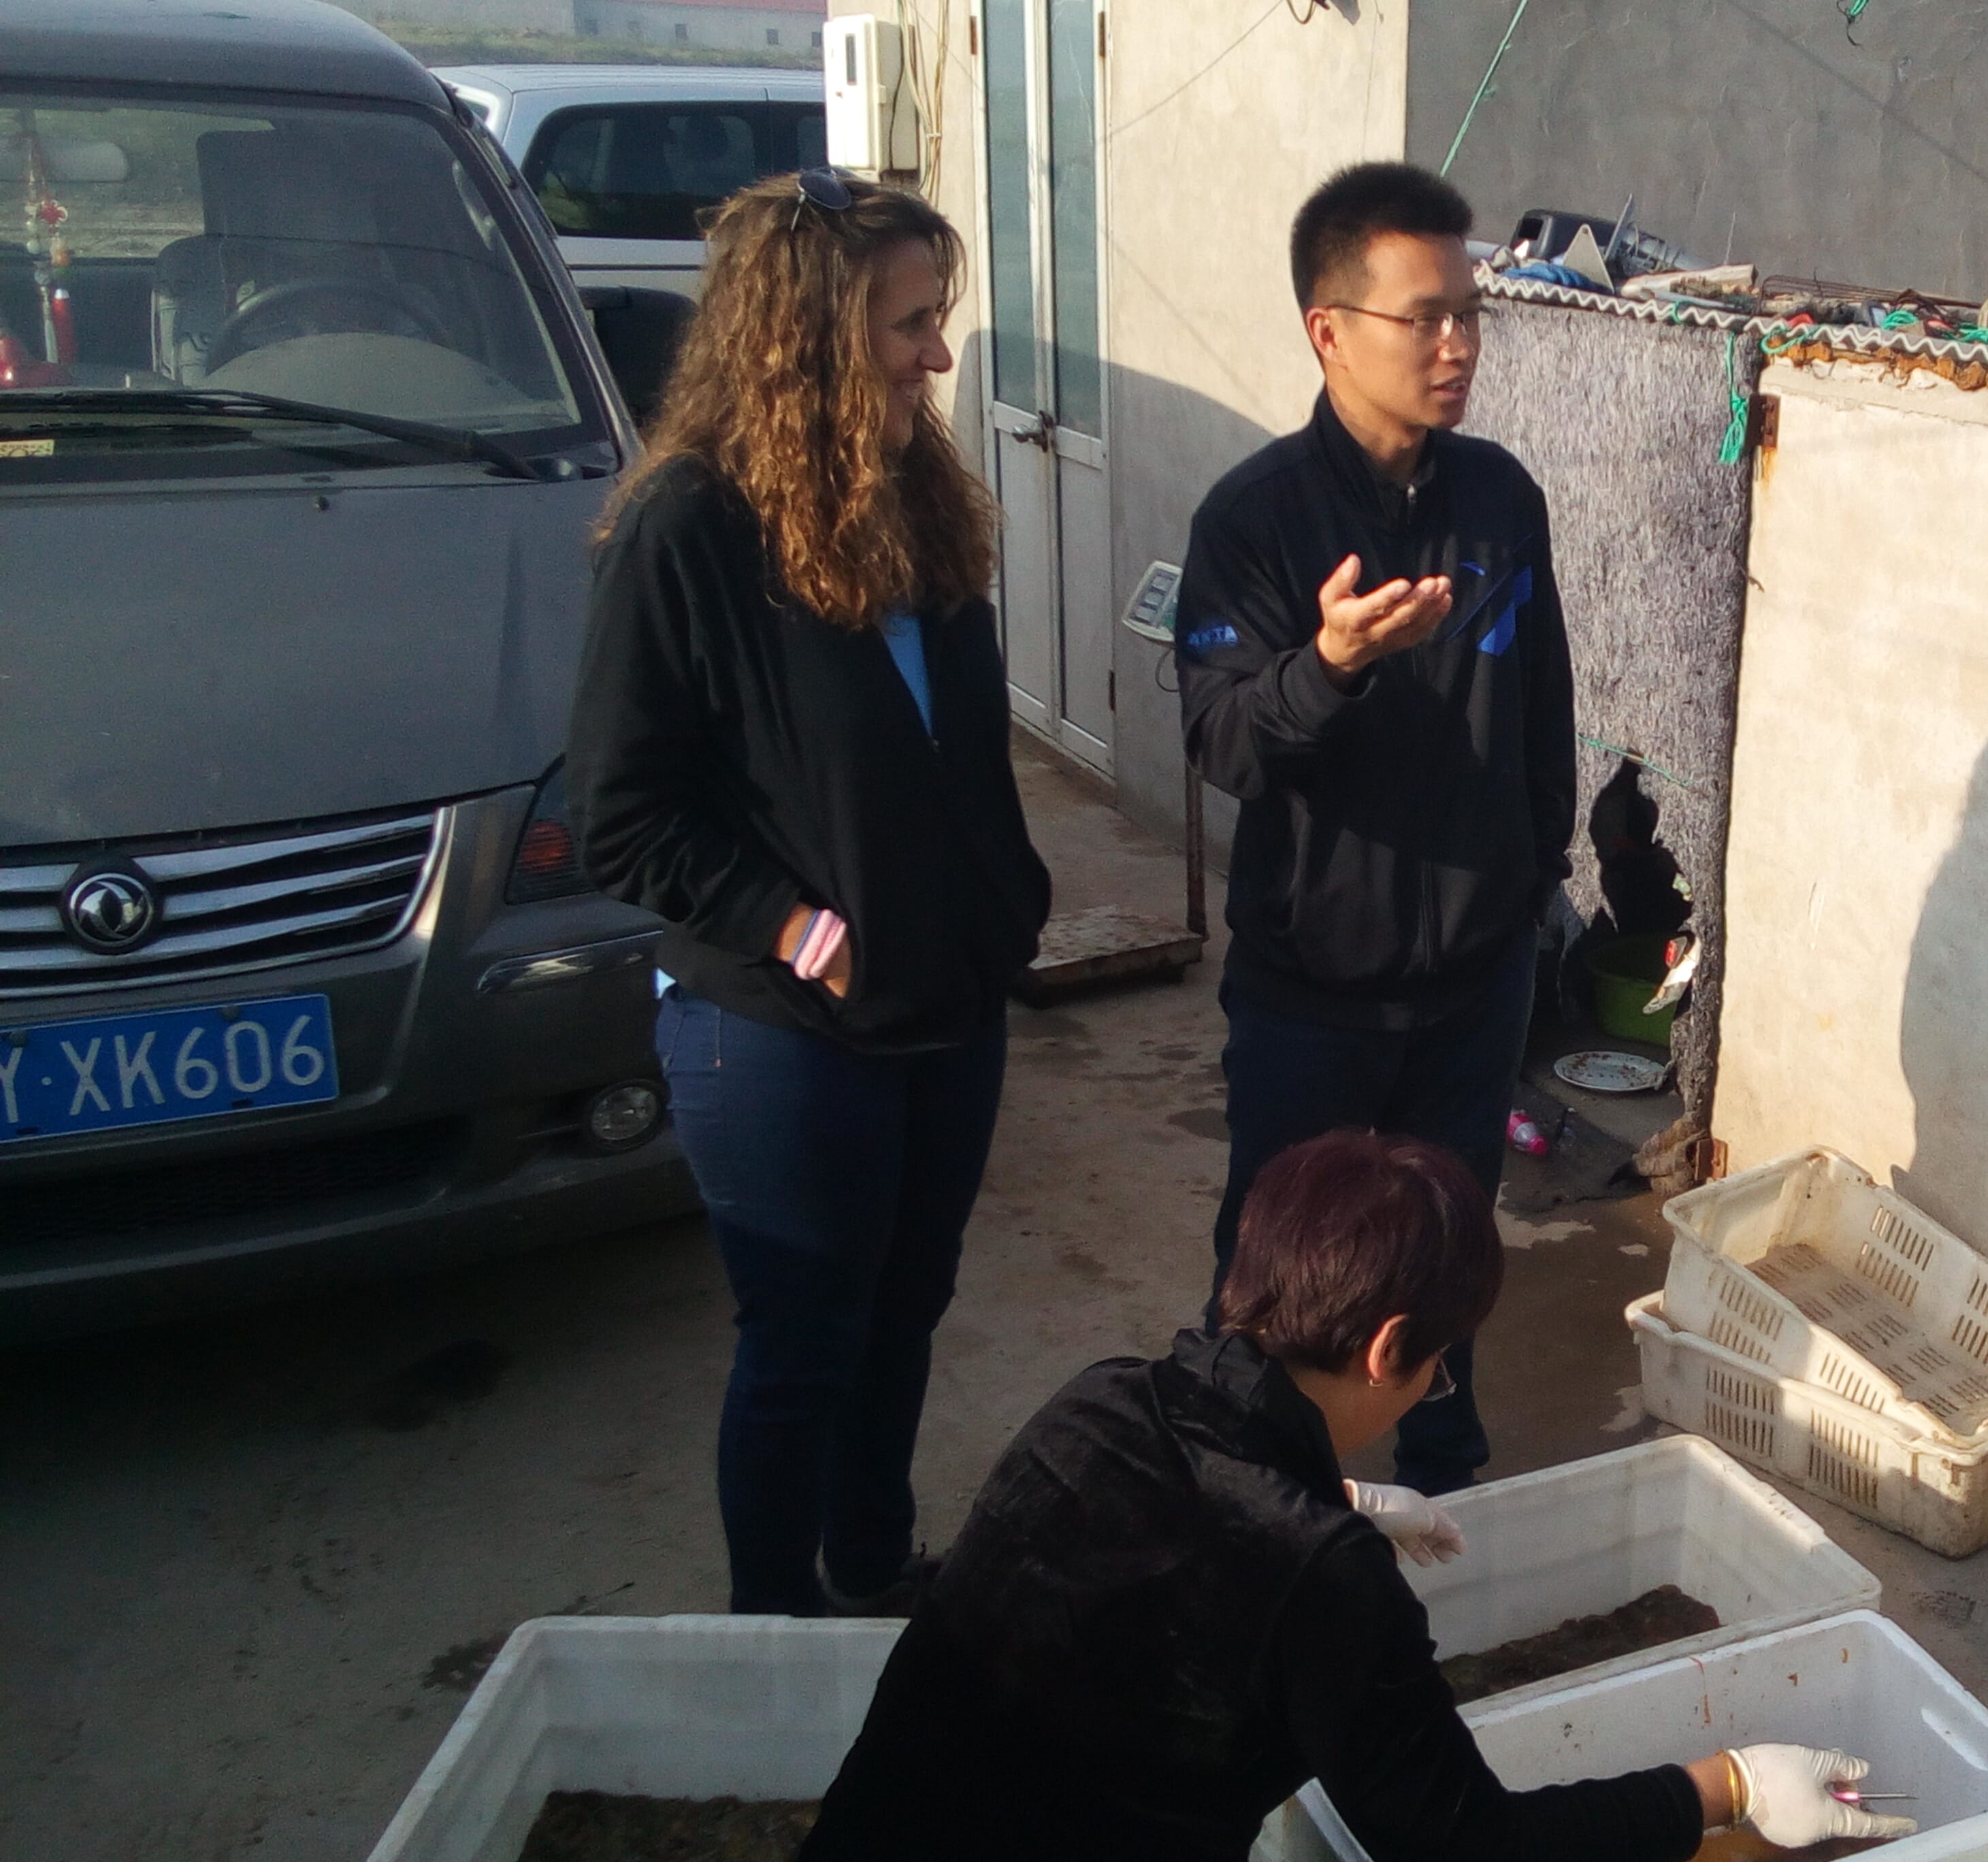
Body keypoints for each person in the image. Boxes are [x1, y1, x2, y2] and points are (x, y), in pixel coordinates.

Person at [796, 1130, 1913, 1861]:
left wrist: (1331, 1495)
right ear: (1388, 1349)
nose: (1435, 1386)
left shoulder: (1098, 1401)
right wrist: (1726, 1785)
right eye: (1441, 1364)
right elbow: (1461, 1844)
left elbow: (1184, 1514)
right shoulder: (1327, 1582)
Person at [570, 169, 1051, 1616]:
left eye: (937, 319)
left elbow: (954, 756)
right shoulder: (687, 530)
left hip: (944, 1003)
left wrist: (1004, 900)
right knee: (804, 1341)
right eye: (909, 325)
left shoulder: (914, 498)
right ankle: (772, 1638)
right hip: (780, 1030)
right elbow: (620, 817)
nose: (938, 355)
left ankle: (870, 1568)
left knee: (903, 1312)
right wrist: (783, 921)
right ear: (806, 338)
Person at [1177, 161, 1575, 1494]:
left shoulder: (1499, 501)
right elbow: (1224, 740)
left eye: (1471, 314)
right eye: (1426, 317)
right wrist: (1330, 665)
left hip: (1472, 983)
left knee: (1450, 1253)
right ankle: (1248, 1494)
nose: (1458, 344)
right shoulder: (1253, 521)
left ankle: (1447, 1486)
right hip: (1313, 993)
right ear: (1329, 331)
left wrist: (1528, 883)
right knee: (1285, 1272)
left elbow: (1544, 710)